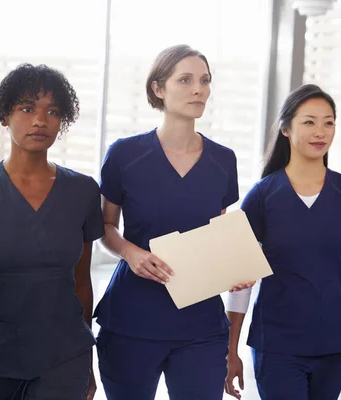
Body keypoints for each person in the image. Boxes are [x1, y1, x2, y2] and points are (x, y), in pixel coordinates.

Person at [94, 44, 253, 400]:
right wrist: (131, 253)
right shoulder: (124, 154)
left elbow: (217, 237)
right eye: (185, 80)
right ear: (158, 88)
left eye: (205, 80)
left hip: (201, 324)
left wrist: (234, 269)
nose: (199, 89)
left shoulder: (223, 161)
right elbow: (105, 229)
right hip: (133, 318)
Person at [0, 63, 104, 400]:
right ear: (5, 115)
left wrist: (87, 359)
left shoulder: (83, 191)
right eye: (27, 108)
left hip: (63, 358)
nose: (40, 120)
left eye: (52, 111)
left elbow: (81, 282)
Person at [225, 84, 341, 400]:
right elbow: (240, 280)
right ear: (286, 128)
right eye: (309, 121)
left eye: (328, 122)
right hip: (276, 345)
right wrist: (231, 350)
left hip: (332, 343)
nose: (320, 132)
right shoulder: (261, 196)